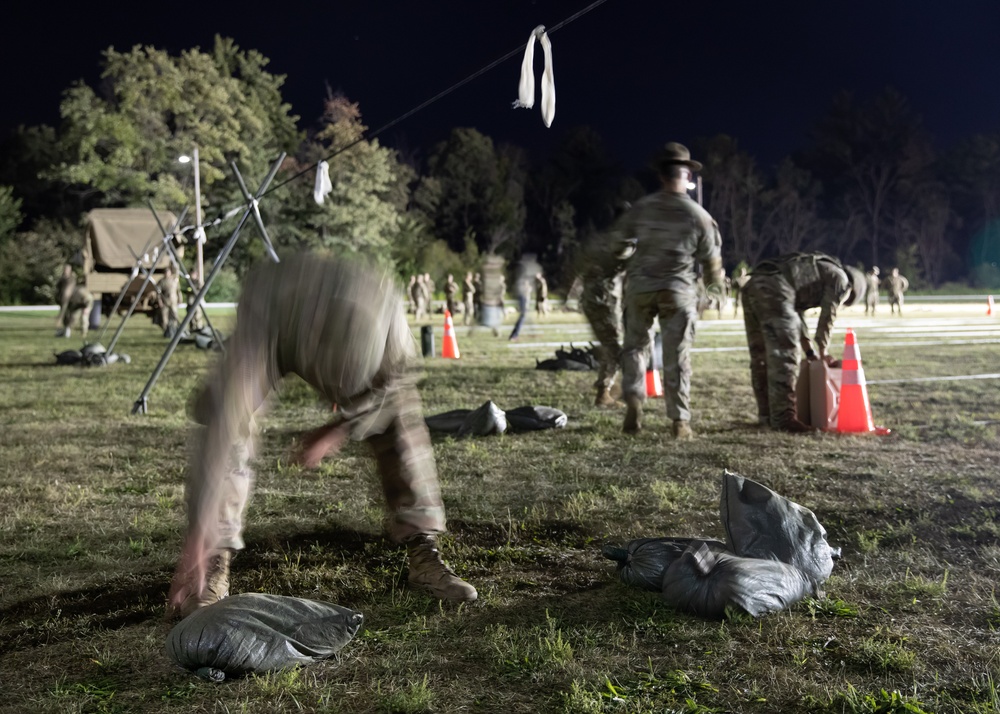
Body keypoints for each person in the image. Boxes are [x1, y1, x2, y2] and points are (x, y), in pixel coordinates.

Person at [165, 253, 477, 620]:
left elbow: (392, 389)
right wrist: (198, 536)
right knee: (229, 421)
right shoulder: (268, 308)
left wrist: (340, 427)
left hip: (359, 335)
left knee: (400, 420)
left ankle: (424, 551)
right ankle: (213, 562)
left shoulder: (388, 319)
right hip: (278, 325)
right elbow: (222, 423)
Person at [612, 142, 724, 438]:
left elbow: (619, 249)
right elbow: (712, 265)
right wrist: (715, 295)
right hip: (678, 291)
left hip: (640, 290)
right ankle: (679, 421)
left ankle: (634, 405)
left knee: (635, 348)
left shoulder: (640, 210)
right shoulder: (698, 215)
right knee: (677, 355)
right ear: (686, 175)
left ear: (661, 176)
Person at [742, 252, 866, 432]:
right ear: (853, 290)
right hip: (777, 289)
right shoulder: (841, 280)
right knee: (785, 356)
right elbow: (827, 317)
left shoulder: (822, 271)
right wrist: (823, 351)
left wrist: (810, 351)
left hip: (754, 284)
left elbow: (796, 315)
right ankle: (783, 419)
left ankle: (766, 416)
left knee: (760, 356)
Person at [577, 235, 634, 407]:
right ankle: (604, 392)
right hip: (604, 304)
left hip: (593, 301)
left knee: (609, 347)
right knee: (614, 350)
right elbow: (623, 256)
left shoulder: (599, 244)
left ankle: (606, 388)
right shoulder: (621, 243)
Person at [55, 264, 94, 339]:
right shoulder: (63, 280)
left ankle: (84, 333)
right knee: (73, 316)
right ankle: (67, 331)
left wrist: (87, 308)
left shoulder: (80, 291)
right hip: (77, 303)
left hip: (86, 302)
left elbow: (89, 299)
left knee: (84, 317)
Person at [157, 264, 181, 337]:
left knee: (174, 315)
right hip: (165, 301)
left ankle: (174, 329)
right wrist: (159, 301)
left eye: (168, 272)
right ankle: (166, 331)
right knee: (164, 317)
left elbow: (178, 291)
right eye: (166, 272)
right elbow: (158, 292)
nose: (167, 273)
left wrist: (180, 299)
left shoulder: (174, 280)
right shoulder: (161, 281)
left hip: (173, 300)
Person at [186, 268, 206, 332]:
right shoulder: (189, 282)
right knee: (190, 317)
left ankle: (199, 328)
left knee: (197, 316)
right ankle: (192, 329)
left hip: (197, 302)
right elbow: (187, 290)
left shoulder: (198, 282)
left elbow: (201, 290)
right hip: (190, 302)